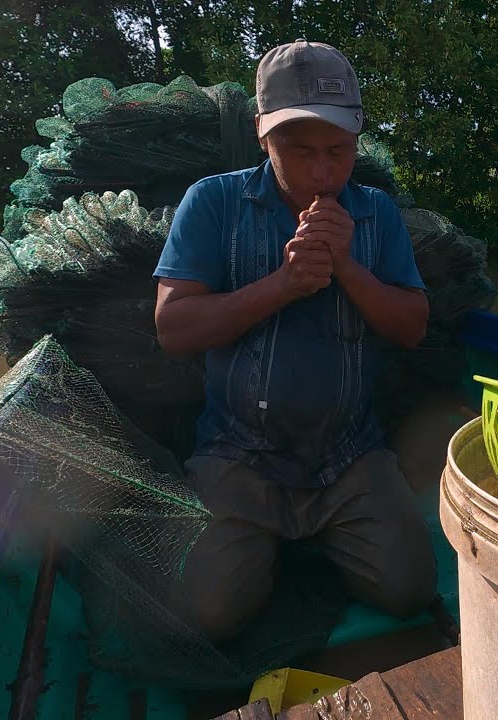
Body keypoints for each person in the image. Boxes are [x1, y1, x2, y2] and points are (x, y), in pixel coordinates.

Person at [152, 40, 436, 641]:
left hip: (350, 454)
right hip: (238, 453)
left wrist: (346, 267)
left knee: (410, 589)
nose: (323, 171)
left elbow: (411, 328)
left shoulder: (377, 214)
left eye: (338, 151)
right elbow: (173, 328)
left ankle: (310, 537)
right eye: (300, 150)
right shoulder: (214, 201)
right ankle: (267, 541)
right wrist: (283, 284)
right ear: (262, 133)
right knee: (208, 614)